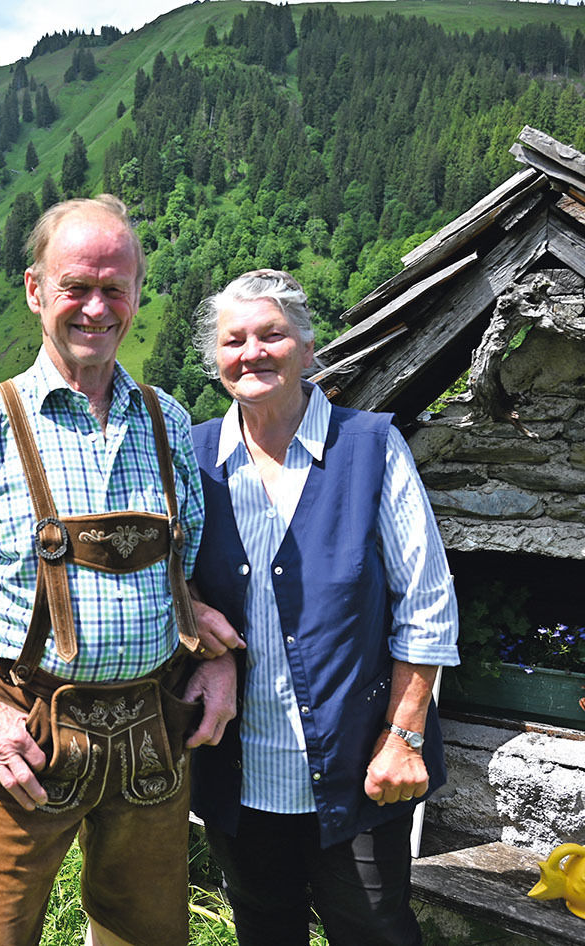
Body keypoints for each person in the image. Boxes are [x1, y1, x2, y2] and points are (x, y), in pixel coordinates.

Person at [0, 195, 241, 946]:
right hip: (22, 731)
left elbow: (184, 568)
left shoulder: (168, 420)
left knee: (146, 936)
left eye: (114, 288)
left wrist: (215, 663)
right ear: (34, 290)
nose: (95, 307)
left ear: (138, 295)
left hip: (152, 729)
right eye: (75, 285)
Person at [187, 269, 460, 946]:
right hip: (238, 772)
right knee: (263, 928)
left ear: (307, 350)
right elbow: (159, 573)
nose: (251, 352)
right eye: (233, 340)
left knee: (373, 930)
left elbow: (426, 602)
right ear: (214, 359)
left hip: (358, 770)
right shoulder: (191, 459)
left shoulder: (369, 446)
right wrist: (188, 609)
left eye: (271, 334)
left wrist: (404, 737)